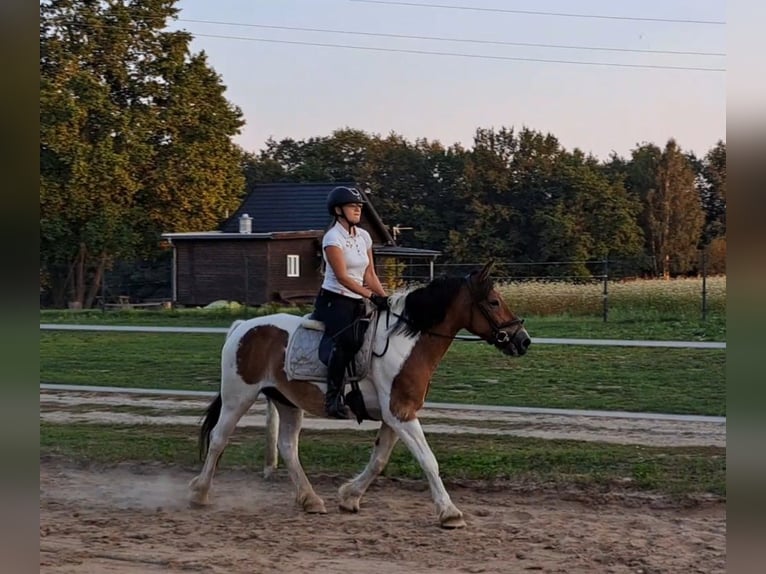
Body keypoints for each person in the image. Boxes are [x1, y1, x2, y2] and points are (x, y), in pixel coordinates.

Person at [313, 186, 389, 419]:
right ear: (338, 210)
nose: (358, 210)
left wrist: (385, 298)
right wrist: (371, 297)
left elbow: (369, 275)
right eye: (352, 206)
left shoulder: (364, 236)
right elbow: (343, 277)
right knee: (347, 340)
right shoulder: (332, 238)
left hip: (358, 299)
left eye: (359, 207)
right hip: (334, 300)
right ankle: (333, 398)